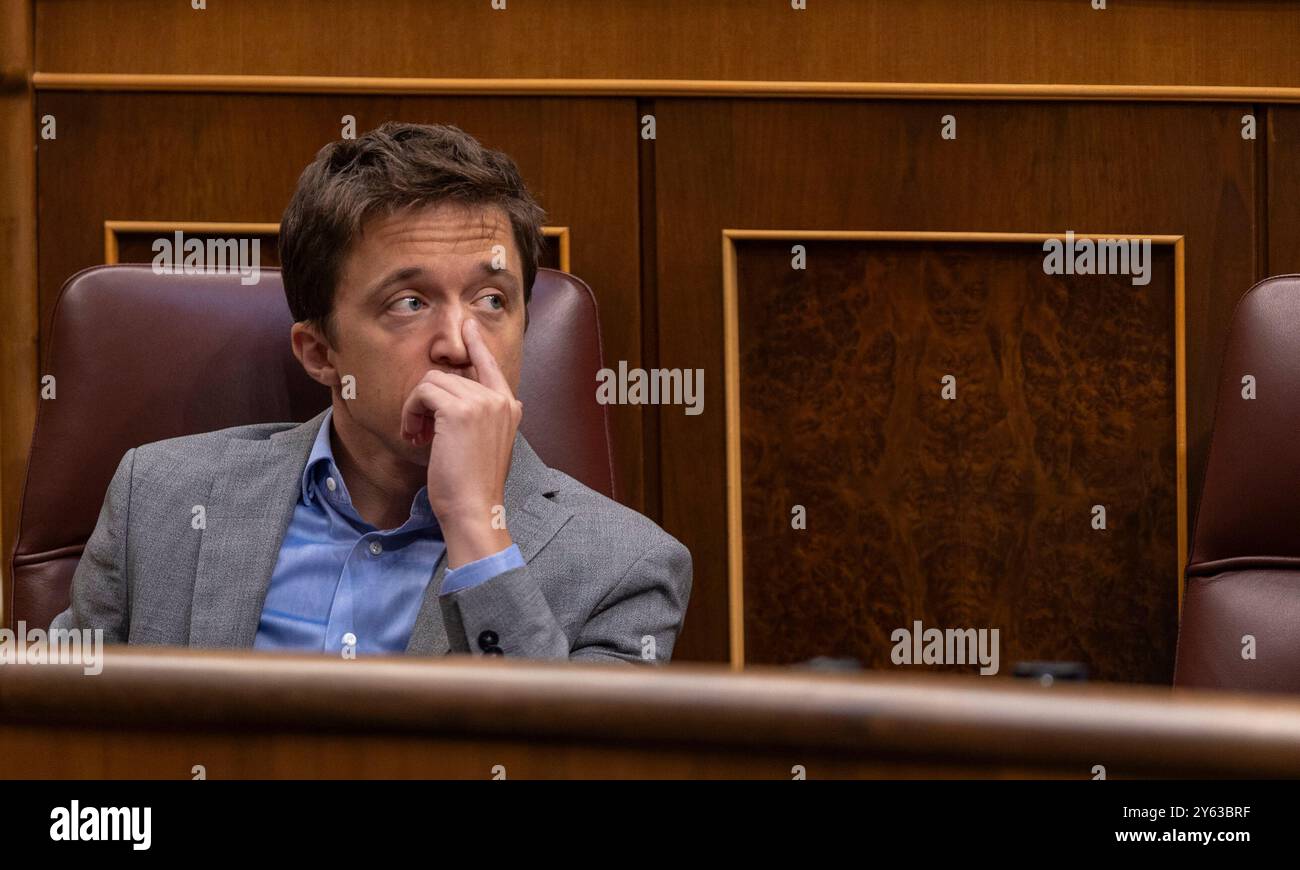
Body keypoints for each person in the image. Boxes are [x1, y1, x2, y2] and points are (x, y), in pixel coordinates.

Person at [51, 122, 692, 664]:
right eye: (409, 302)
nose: (460, 343)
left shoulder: (626, 569)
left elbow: (561, 766)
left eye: (493, 300)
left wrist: (477, 527)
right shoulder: (160, 498)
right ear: (321, 354)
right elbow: (57, 743)